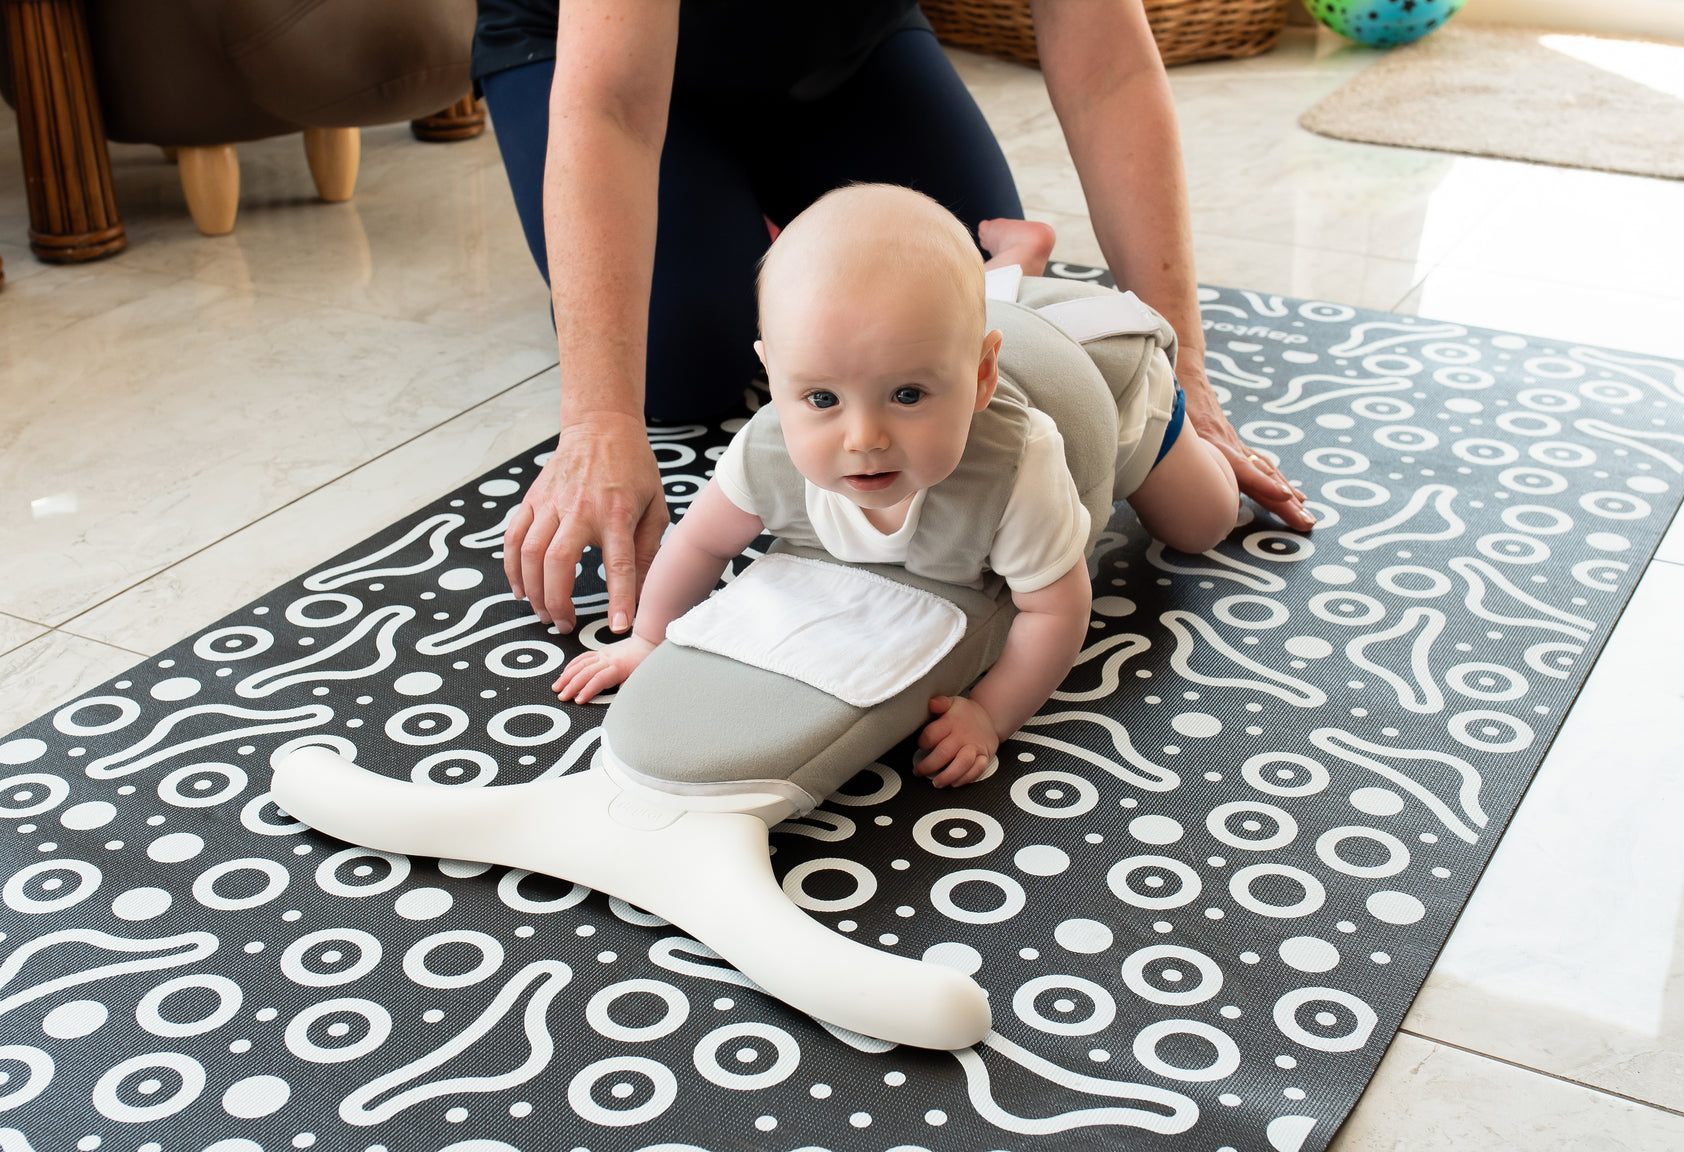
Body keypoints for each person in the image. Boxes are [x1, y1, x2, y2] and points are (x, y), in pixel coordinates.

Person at [475, 0, 1312, 641]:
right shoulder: (761, 464)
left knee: (944, 290)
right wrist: (597, 420)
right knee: (683, 370)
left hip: (843, 49)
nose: (867, 438)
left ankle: (879, 244)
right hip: (585, 55)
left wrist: (1182, 371)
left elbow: (1110, 73)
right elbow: (614, 107)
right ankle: (746, 229)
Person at [552, 185, 1240, 788]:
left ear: (980, 379)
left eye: (907, 395)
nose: (864, 438)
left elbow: (1056, 612)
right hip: (983, 337)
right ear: (774, 375)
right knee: (942, 323)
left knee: (1202, 522)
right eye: (821, 398)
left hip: (1099, 379)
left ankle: (1066, 321)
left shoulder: (1015, 465)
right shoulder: (768, 448)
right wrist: (649, 639)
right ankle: (1013, 267)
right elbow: (698, 544)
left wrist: (990, 715)